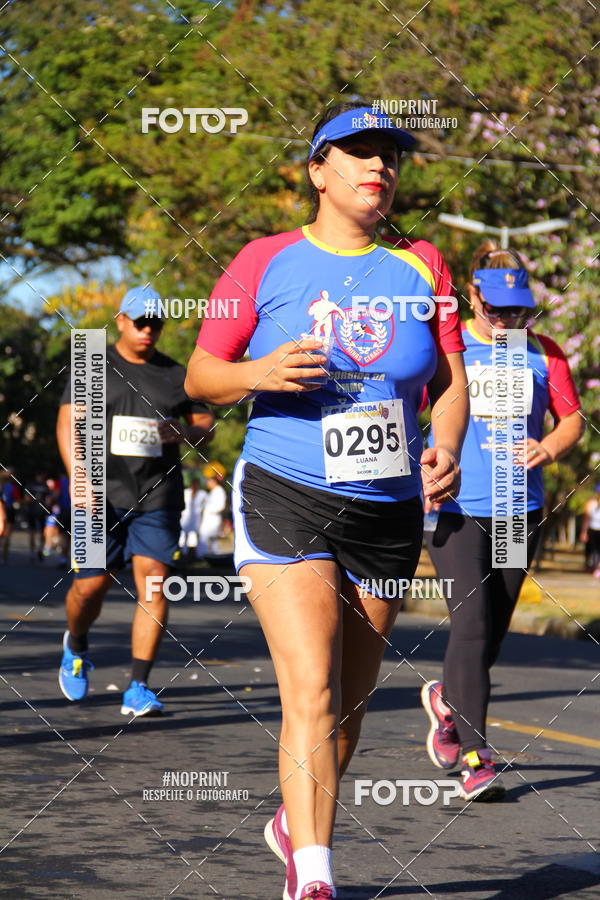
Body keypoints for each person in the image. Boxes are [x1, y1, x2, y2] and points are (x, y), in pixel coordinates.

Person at [185, 102, 468, 900]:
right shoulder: (264, 259)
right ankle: (314, 875)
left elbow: (449, 384)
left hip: (387, 509)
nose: (380, 165)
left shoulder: (423, 265)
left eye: (391, 154)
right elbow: (202, 376)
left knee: (346, 705)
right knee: (309, 687)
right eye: (359, 152)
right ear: (318, 170)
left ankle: (292, 819)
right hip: (287, 490)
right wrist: (257, 374)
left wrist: (443, 443)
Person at [421, 241, 584, 801]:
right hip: (457, 505)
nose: (508, 320)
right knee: (471, 622)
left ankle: (449, 700)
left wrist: (550, 447)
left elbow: (573, 420)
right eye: (497, 309)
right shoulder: (447, 347)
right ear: (472, 296)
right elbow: (400, 400)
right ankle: (474, 756)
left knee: (492, 626)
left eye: (518, 310)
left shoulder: (544, 351)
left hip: (521, 510)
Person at [56, 286, 213, 716]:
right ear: (120, 320)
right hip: (99, 494)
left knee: (155, 583)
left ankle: (138, 687)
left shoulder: (175, 373)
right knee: (90, 586)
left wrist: (186, 433)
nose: (148, 330)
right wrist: (78, 476)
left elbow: (205, 423)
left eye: (156, 323)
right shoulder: (93, 363)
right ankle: (76, 644)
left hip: (158, 495)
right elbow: (68, 420)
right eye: (140, 321)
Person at [198, 463, 227, 556]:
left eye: (209, 481)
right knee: (211, 538)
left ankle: (203, 555)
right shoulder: (213, 491)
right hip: (210, 518)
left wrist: (211, 511)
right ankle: (212, 555)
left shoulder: (219, 490)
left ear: (214, 481)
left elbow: (221, 505)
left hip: (213, 518)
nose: (207, 483)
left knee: (205, 536)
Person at [179, 475, 207, 558]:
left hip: (196, 518)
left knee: (197, 536)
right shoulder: (186, 492)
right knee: (184, 535)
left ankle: (197, 554)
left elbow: (206, 504)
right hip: (186, 517)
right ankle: (183, 553)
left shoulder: (202, 494)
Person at [580, 484, 600, 577]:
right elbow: (586, 519)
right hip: (592, 529)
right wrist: (584, 532)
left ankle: (597, 568)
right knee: (592, 549)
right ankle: (591, 566)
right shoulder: (590, 503)